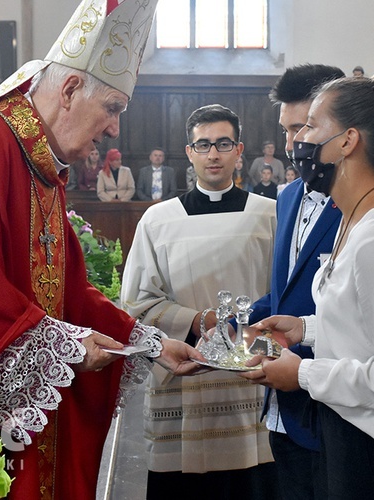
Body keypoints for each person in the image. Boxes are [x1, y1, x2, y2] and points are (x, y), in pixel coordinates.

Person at [0, 1, 205, 498]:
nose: (115, 128)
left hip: (15, 429)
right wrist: (69, 348)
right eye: (113, 108)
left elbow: (71, 293)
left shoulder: (40, 166)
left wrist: (152, 343)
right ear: (71, 89)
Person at [241, 68, 374, 499]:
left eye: (311, 126)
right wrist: (306, 329)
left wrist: (304, 373)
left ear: (347, 141)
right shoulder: (354, 220)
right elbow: (365, 320)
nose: (298, 141)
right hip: (351, 426)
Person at [121, 104, 278, 499]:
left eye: (223, 144)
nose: (213, 154)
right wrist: (196, 319)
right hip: (185, 377)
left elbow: (284, 295)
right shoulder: (158, 220)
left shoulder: (270, 215)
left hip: (250, 378)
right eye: (203, 145)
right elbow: (137, 303)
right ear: (189, 152)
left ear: (239, 150)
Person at [241, 63, 344, 500]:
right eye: (285, 131)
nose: (291, 145)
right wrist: (236, 325)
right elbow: (283, 292)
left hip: (330, 403)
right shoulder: (285, 197)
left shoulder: (365, 212)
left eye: (302, 128)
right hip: (280, 403)